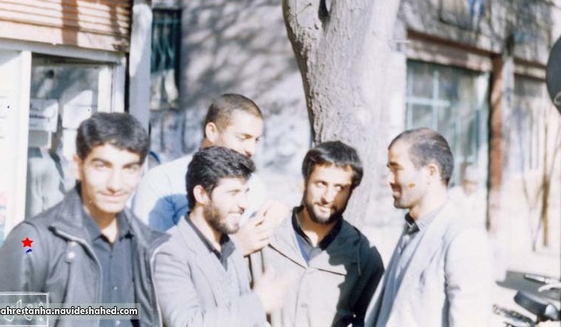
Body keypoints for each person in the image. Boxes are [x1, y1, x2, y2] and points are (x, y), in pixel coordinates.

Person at [0, 112, 165, 327]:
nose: (115, 184)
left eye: (129, 169)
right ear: (77, 166)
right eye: (102, 166)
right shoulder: (32, 241)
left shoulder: (150, 247)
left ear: (141, 172)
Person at [366, 128, 492, 327]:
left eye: (396, 169)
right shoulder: (413, 227)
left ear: (430, 173)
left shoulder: (463, 237)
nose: (389, 179)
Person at [133, 93, 286, 255]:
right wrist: (235, 248)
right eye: (242, 138)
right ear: (212, 132)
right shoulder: (163, 181)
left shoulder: (255, 186)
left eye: (256, 140)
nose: (251, 149)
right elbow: (149, 255)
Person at [152, 146, 289, 327]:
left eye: (245, 192)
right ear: (201, 194)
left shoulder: (231, 245)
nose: (244, 204)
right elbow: (187, 323)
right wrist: (258, 304)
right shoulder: (170, 251)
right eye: (233, 193)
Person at [253, 141, 384, 327]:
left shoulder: (363, 256)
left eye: (339, 188)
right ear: (305, 181)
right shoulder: (264, 234)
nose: (328, 197)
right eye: (321, 184)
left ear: (351, 192)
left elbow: (374, 320)